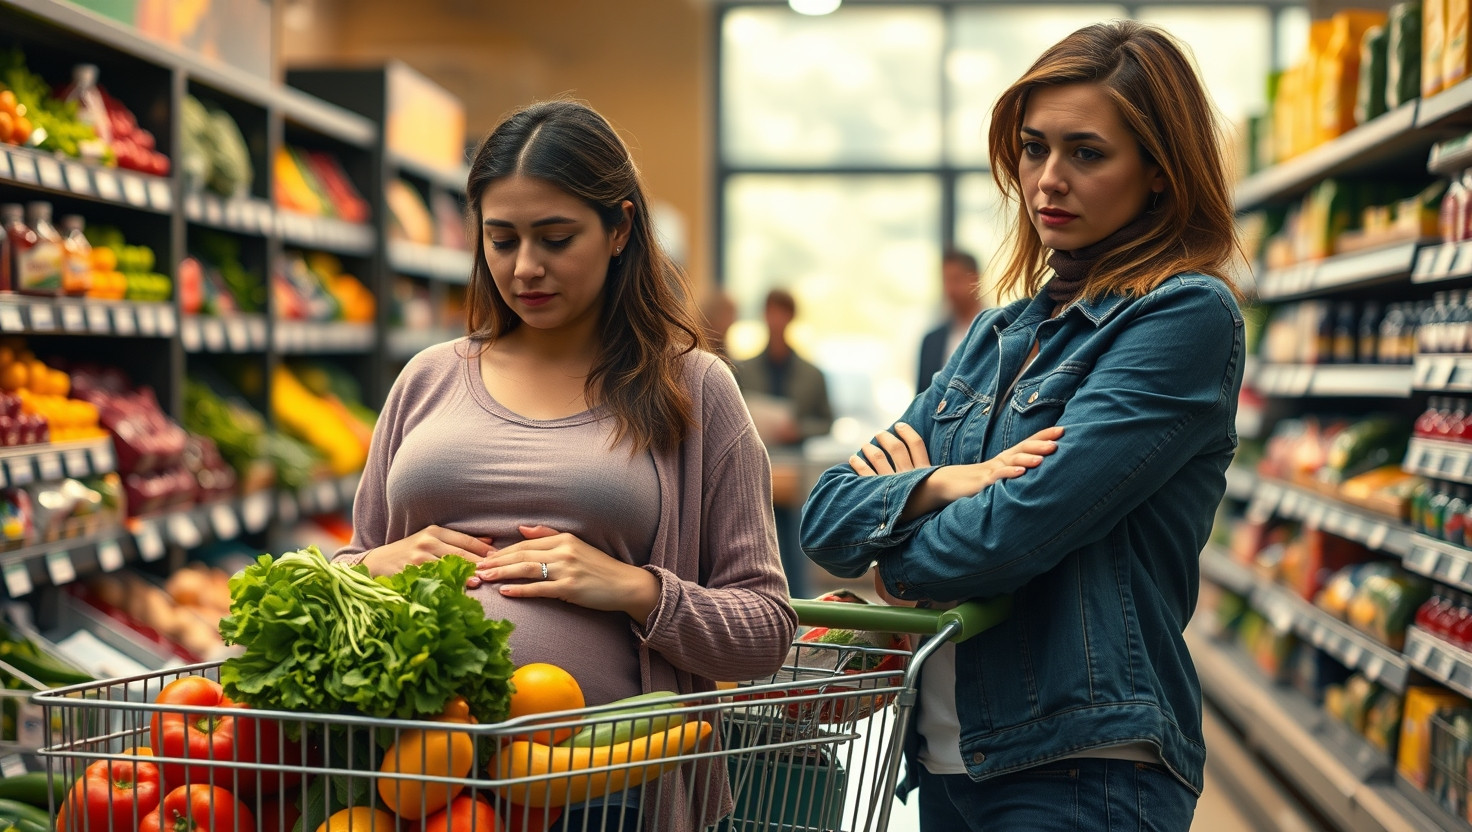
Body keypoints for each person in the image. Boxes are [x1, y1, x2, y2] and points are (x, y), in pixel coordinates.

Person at [801, 20, 1244, 832]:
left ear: (1157, 171)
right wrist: (941, 483)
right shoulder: (992, 334)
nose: (1047, 180)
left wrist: (895, 549)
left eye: (1086, 153)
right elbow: (825, 518)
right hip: (944, 761)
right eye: (1034, 149)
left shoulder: (1183, 316)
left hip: (1080, 769)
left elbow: (1013, 536)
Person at [334, 99, 797, 832]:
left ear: (619, 229)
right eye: (501, 239)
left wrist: (637, 590)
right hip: (408, 781)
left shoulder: (695, 389)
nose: (525, 268)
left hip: (601, 795)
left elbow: (767, 627)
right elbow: (350, 565)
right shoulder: (426, 378)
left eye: (555, 238)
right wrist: (372, 568)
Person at [734, 288, 833, 599]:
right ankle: (759, 601)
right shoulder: (743, 369)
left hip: (793, 464)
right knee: (755, 539)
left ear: (791, 317)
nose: (776, 319)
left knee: (793, 543)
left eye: (782, 312)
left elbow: (827, 420)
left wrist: (800, 430)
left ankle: (799, 607)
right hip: (754, 463)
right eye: (771, 311)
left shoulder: (811, 372)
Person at [916, 249, 984, 393]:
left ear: (975, 279)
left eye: (956, 279)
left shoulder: (1001, 333)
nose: (950, 289)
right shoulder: (931, 341)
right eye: (946, 280)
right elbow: (921, 398)